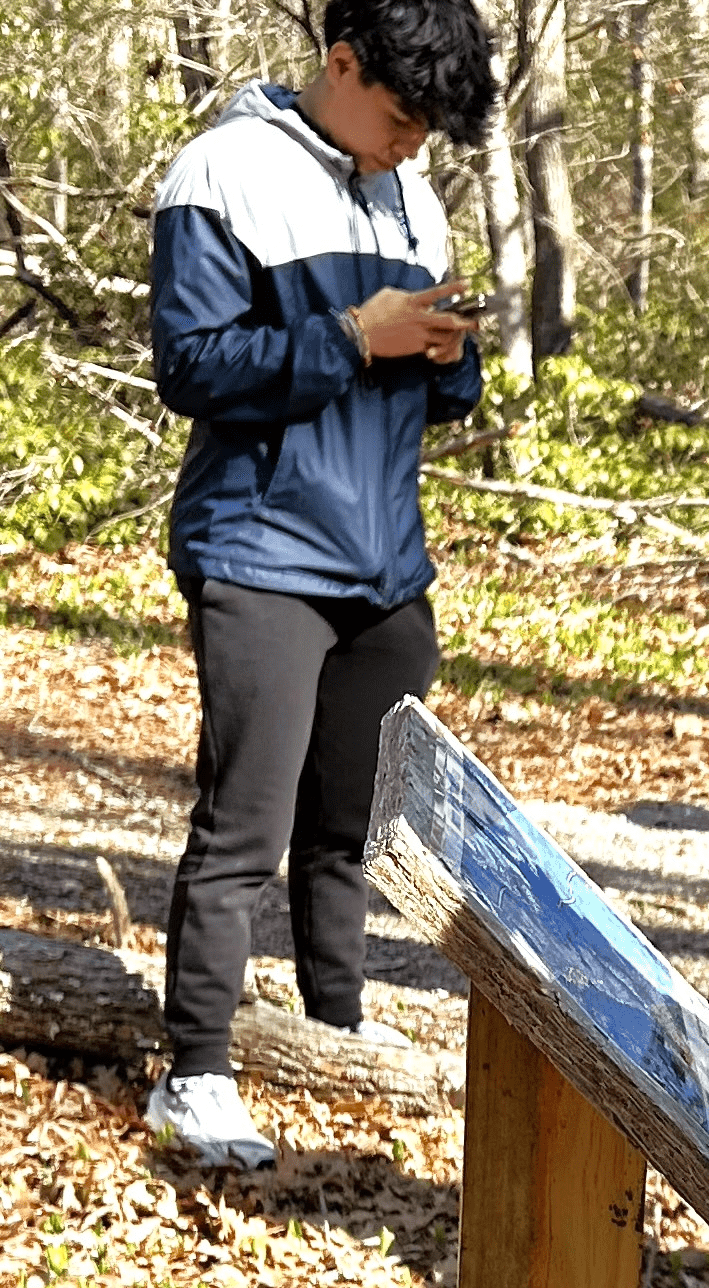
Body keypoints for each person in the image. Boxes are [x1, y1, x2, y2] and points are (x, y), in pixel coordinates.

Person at [144, 0, 495, 1168]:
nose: (412, 145)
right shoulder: (223, 170)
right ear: (339, 64)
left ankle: (332, 1023)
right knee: (244, 823)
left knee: (348, 827)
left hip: (385, 563)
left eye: (429, 129)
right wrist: (352, 333)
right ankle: (192, 1073)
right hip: (259, 552)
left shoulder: (413, 193)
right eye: (401, 117)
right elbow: (190, 367)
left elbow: (438, 390)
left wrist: (447, 357)